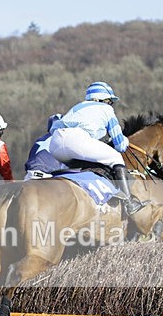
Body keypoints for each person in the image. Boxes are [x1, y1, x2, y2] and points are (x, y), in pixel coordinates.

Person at [48, 81, 143, 216]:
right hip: (77, 139)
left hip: (56, 143)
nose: (111, 105)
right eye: (110, 101)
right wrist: (125, 140)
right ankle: (129, 202)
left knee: (86, 164)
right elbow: (120, 145)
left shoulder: (77, 107)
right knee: (116, 157)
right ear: (103, 100)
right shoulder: (106, 109)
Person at [24, 113, 68, 180]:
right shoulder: (63, 141)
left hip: (31, 174)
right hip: (49, 175)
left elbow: (30, 158)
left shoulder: (39, 140)